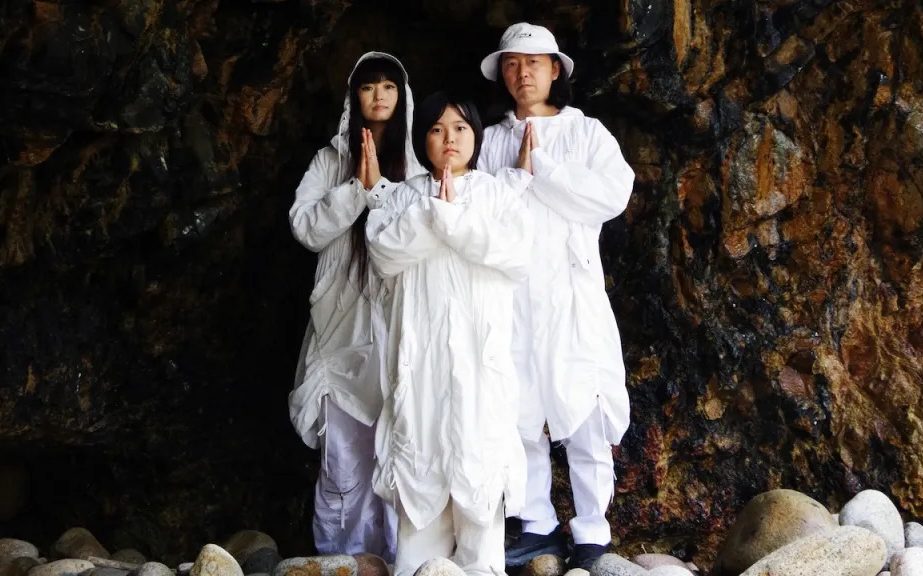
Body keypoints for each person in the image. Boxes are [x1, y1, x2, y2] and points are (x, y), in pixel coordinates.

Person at [477, 23, 636, 570]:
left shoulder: (586, 133)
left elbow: (610, 196)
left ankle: (593, 529)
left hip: (573, 294)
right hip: (511, 295)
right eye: (513, 64)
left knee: (587, 408)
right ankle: (537, 521)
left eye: (534, 63)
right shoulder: (491, 138)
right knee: (519, 413)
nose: (523, 74)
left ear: (555, 70)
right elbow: (484, 210)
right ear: (502, 73)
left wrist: (541, 166)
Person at [366, 92, 533, 576]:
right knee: (419, 466)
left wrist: (453, 219)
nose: (449, 138)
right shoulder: (402, 196)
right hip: (420, 366)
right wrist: (430, 213)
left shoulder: (496, 195)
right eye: (438, 129)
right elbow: (383, 254)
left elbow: (515, 253)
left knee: (480, 470)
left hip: (482, 366)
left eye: (460, 128)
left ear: (475, 136)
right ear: (424, 140)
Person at [288, 51, 423, 561]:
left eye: (390, 85)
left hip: (395, 322)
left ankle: (390, 559)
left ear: (402, 95)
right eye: (369, 86)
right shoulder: (328, 160)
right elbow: (305, 228)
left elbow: (420, 227)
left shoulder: (416, 159)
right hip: (339, 324)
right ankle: (338, 559)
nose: (380, 95)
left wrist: (380, 190)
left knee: (393, 447)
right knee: (342, 456)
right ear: (355, 96)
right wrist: (354, 191)